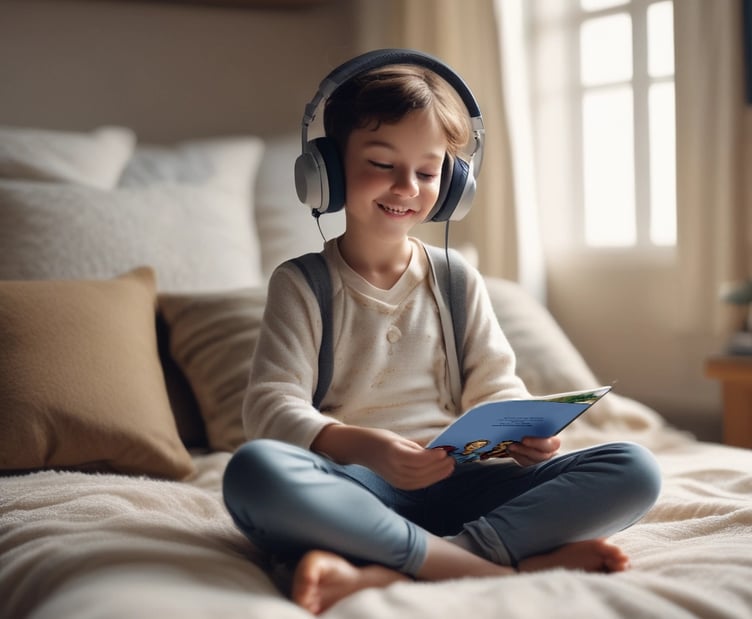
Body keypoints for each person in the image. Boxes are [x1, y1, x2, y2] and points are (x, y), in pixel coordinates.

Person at [223, 51, 662, 616]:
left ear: (453, 184)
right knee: (254, 473)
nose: (407, 186)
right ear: (326, 170)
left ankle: (407, 564)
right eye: (382, 164)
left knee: (634, 468)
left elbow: (495, 388)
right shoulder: (301, 283)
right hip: (359, 488)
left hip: (464, 482)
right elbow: (269, 406)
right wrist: (366, 447)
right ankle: (495, 566)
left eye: (428, 172)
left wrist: (525, 437)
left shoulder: (457, 280)